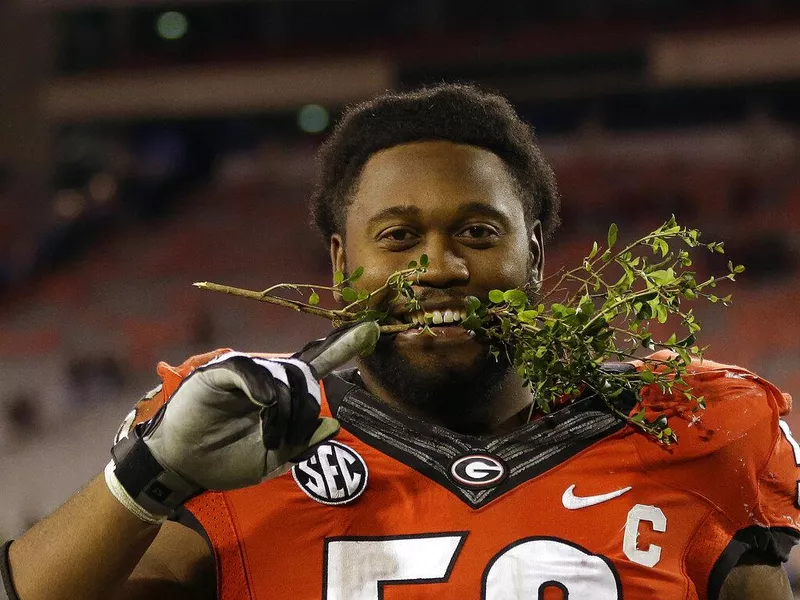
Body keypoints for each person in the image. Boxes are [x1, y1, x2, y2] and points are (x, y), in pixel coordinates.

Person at [3, 84, 798, 600]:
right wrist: (147, 477)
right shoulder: (243, 433)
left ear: (536, 256)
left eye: (479, 232)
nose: (440, 267)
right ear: (343, 264)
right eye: (398, 235)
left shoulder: (683, 426)